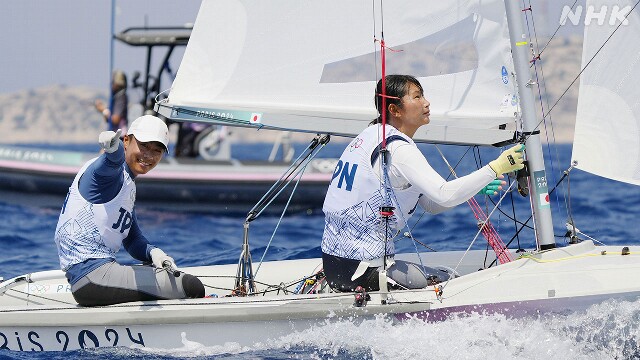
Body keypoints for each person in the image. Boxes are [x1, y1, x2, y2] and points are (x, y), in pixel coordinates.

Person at [321, 74, 524, 292]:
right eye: (417, 97)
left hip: (335, 267)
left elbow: (430, 204)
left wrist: (474, 189)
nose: (426, 103)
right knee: (451, 281)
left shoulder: (368, 137)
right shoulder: (399, 149)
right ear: (395, 110)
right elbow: (444, 194)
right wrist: (496, 168)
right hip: (365, 272)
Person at [54, 115, 205, 306]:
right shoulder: (107, 174)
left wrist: (154, 253)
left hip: (94, 276)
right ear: (126, 140)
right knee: (192, 287)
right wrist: (113, 148)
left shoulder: (127, 184)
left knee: (159, 270)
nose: (149, 155)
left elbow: (132, 240)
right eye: (143, 146)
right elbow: (110, 163)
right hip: (92, 277)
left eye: (157, 150)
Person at [94, 70, 128, 135]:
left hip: (120, 136)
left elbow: (115, 119)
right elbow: (108, 119)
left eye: (113, 82)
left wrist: (103, 110)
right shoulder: (116, 97)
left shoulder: (121, 97)